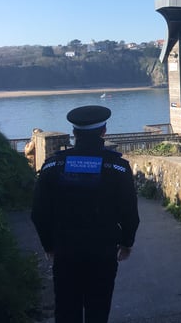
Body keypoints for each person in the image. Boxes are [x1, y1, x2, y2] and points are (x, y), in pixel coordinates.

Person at [31, 105, 140, 323]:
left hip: (65, 249)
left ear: (74, 133)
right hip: (103, 250)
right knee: (98, 310)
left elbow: (39, 212)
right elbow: (129, 211)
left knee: (66, 310)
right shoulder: (118, 167)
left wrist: (49, 245)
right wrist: (127, 242)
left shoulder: (53, 165)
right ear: (104, 132)